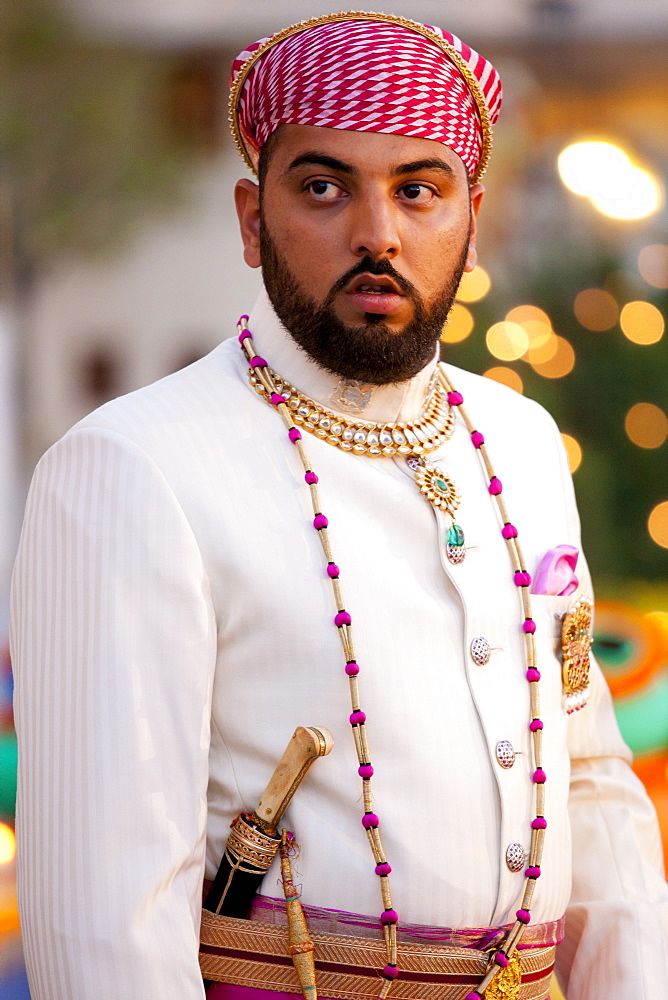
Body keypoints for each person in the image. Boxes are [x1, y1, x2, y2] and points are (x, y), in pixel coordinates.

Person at [10, 11, 668, 1000]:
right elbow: (109, 924)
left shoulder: (521, 443)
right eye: (324, 187)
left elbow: (590, 786)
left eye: (418, 190)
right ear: (249, 216)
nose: (377, 233)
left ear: (470, 221)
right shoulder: (132, 467)